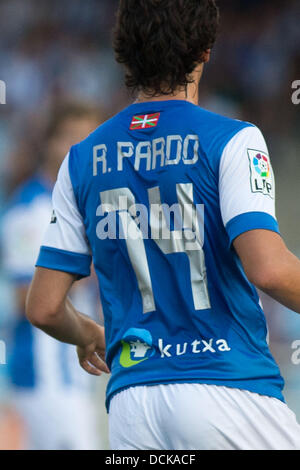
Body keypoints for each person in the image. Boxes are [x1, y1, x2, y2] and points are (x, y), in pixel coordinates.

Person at [26, 0, 300, 450]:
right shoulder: (233, 139)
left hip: (133, 406)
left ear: (124, 54)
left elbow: (44, 307)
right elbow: (269, 269)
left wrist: (88, 333)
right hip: (227, 387)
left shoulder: (79, 160)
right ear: (206, 49)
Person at [2, 102, 105, 450]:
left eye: (88, 139)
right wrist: (85, 269)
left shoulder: (83, 202)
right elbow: (24, 298)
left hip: (74, 375)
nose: (78, 148)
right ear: (48, 142)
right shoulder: (28, 209)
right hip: (46, 377)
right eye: (69, 137)